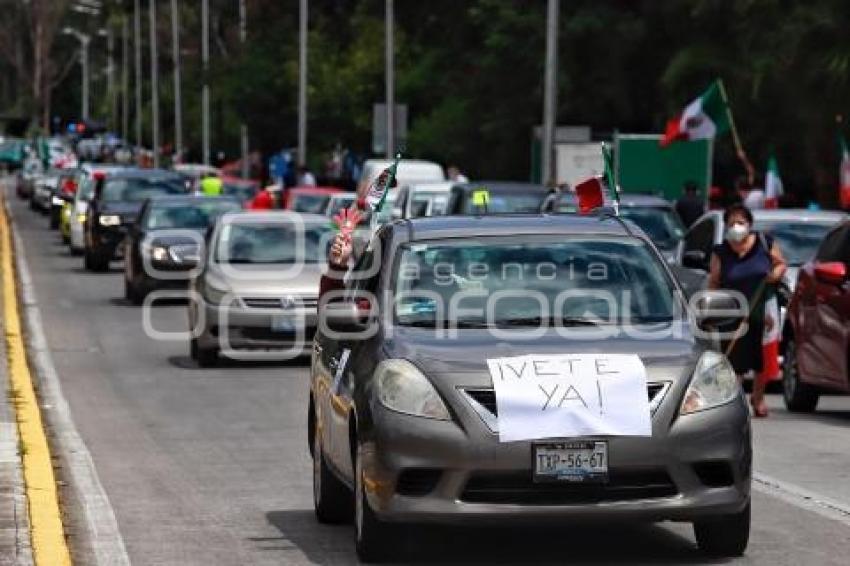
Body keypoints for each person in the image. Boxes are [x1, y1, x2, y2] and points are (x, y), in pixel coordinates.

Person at [708, 204, 787, 417]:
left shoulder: (764, 243)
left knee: (761, 357)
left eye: (740, 222)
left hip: (762, 308)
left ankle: (758, 398)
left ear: (749, 225)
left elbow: (780, 264)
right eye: (732, 223)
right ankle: (734, 400)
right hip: (732, 311)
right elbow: (714, 282)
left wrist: (775, 275)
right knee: (734, 358)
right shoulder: (721, 252)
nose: (736, 226)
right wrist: (711, 309)